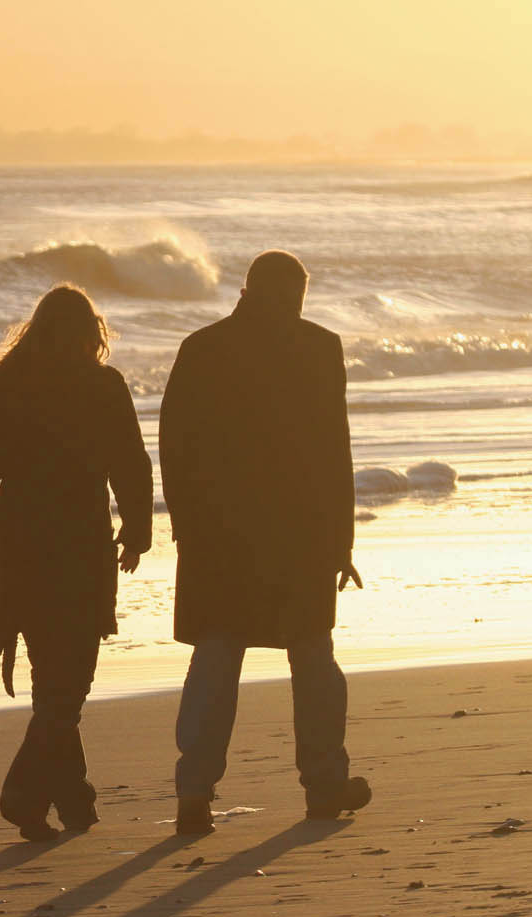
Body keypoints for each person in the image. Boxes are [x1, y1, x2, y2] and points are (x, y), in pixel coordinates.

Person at [0, 284, 153, 841]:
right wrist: (137, 531)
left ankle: (75, 802)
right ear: (91, 333)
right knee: (68, 684)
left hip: (23, 545)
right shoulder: (103, 386)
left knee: (51, 681)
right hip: (81, 543)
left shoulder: (7, 386)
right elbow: (131, 462)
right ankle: (22, 795)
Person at [160, 250, 370, 834]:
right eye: (296, 296)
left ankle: (194, 795)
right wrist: (340, 541)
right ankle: (325, 785)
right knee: (313, 659)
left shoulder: (202, 348)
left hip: (218, 537)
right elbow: (336, 452)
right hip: (299, 536)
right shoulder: (319, 348)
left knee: (217, 658)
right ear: (288, 293)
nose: (298, 307)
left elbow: (173, 445)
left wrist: (185, 525)